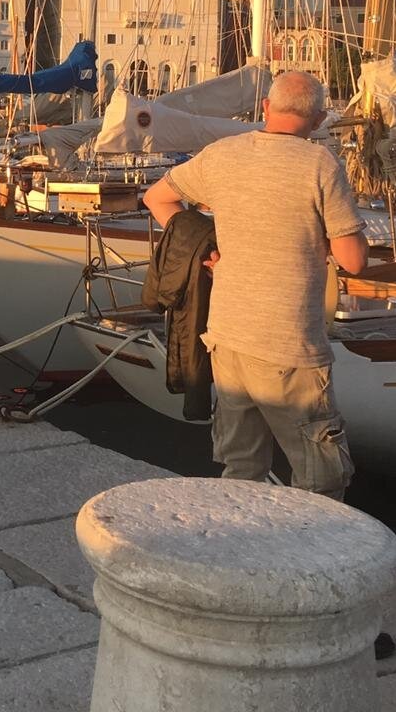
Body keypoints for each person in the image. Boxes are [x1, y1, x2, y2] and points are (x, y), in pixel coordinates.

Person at [143, 71, 369, 497]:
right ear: (319, 119)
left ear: (265, 108)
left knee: (240, 470)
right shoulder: (320, 164)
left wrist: (205, 246)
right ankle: (310, 561)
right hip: (290, 348)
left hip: (227, 340)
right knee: (321, 478)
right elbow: (353, 261)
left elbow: (157, 198)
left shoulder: (221, 154)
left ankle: (240, 549)